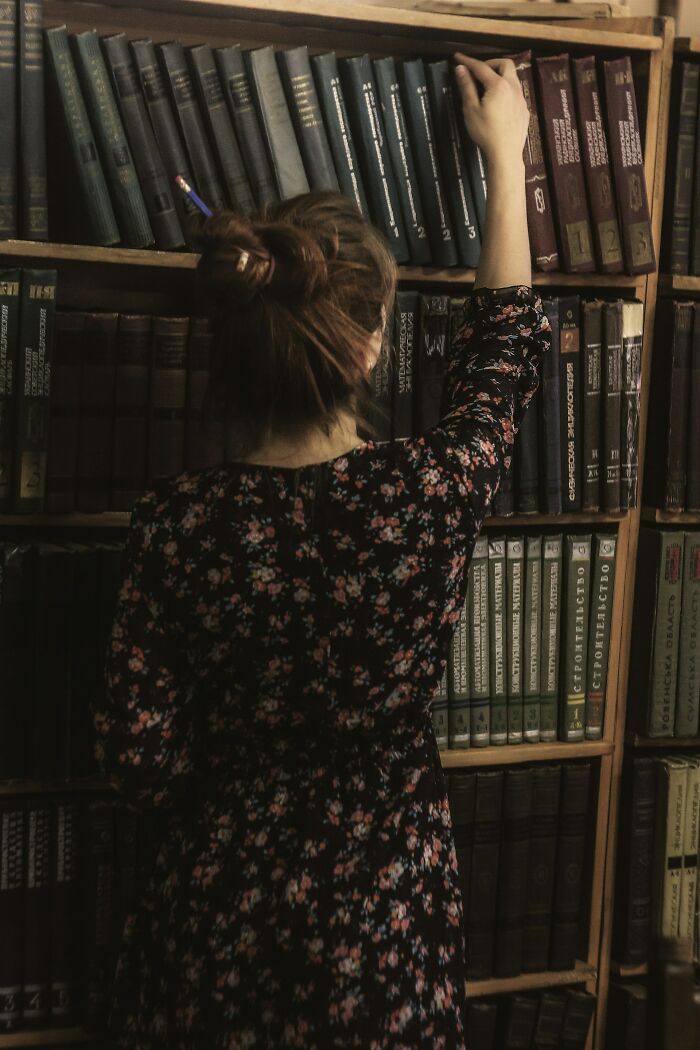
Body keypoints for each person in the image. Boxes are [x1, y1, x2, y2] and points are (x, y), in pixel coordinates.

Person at [92, 53, 550, 1049]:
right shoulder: (425, 494)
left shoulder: (178, 524)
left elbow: (138, 764)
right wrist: (506, 162)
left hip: (215, 919)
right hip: (386, 910)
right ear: (373, 341)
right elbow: (501, 358)